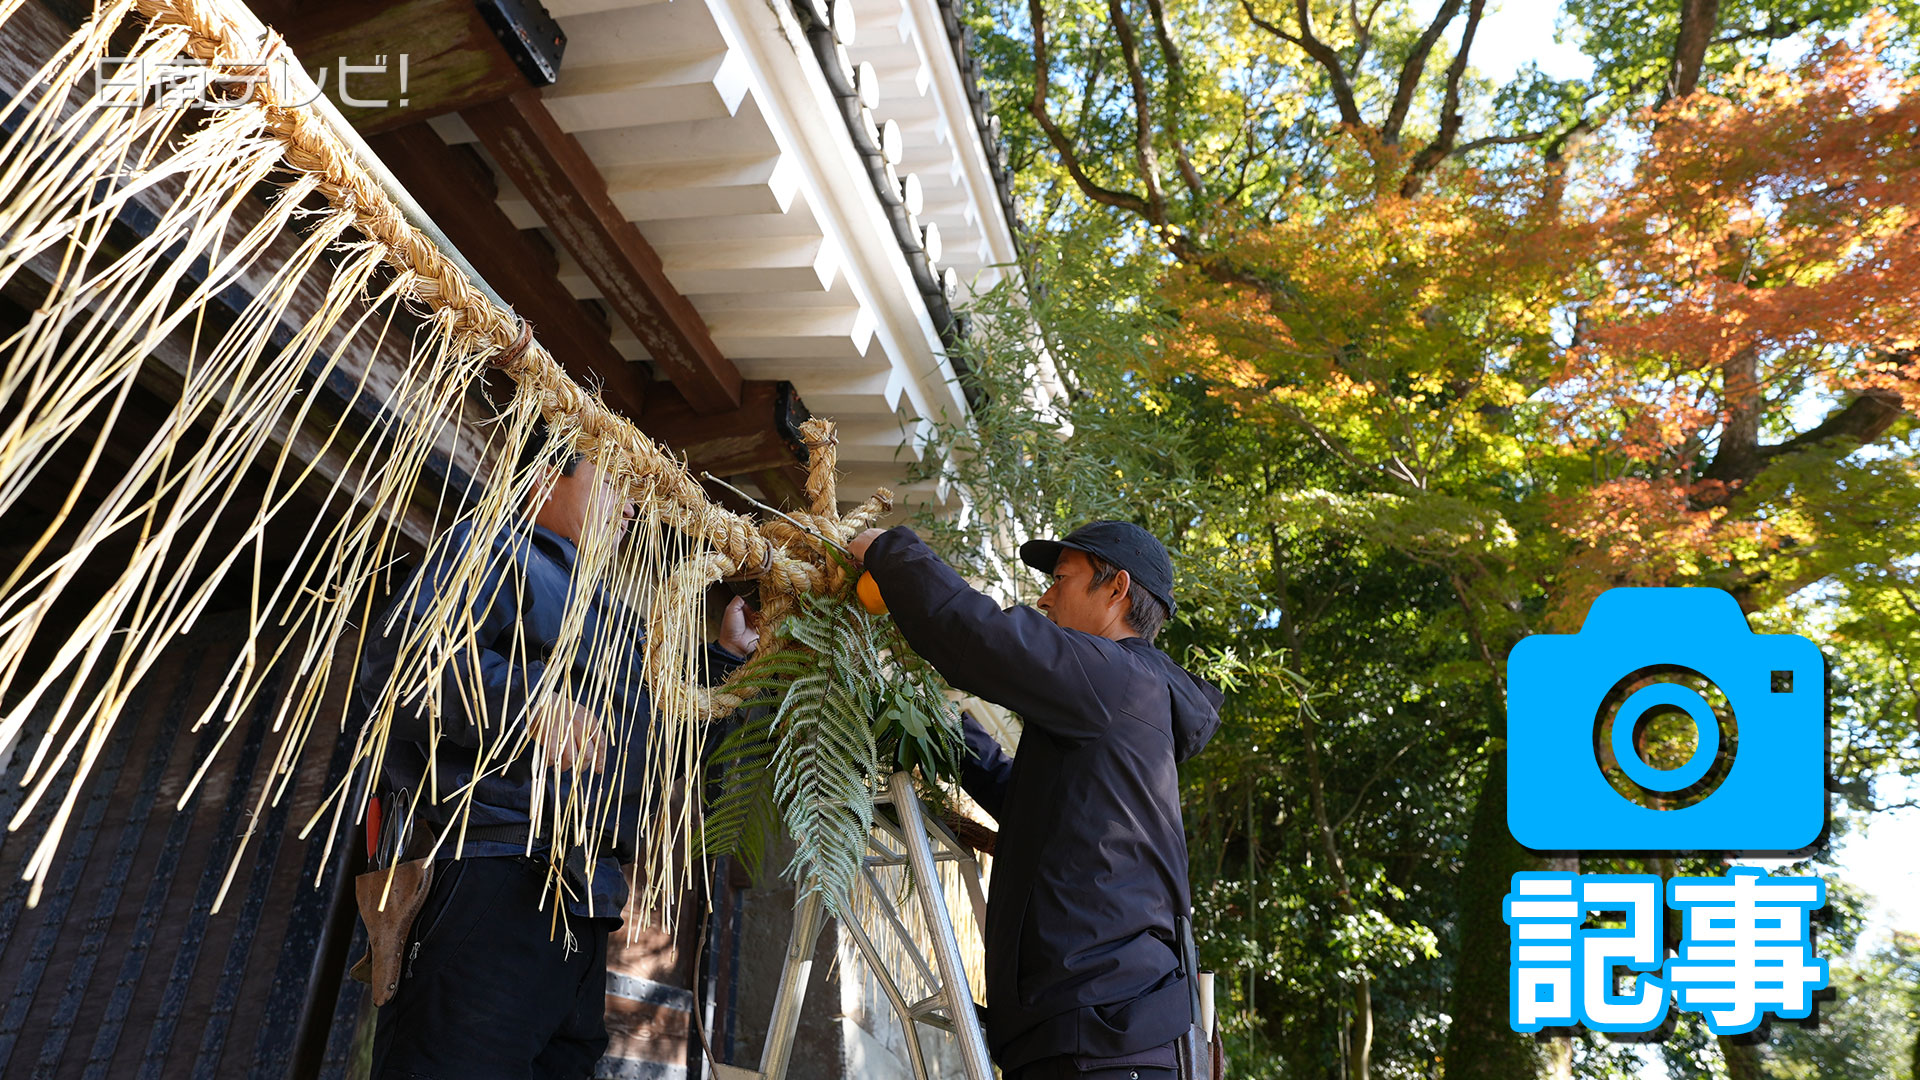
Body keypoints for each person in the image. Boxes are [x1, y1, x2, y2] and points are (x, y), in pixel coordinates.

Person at [358, 435, 759, 1080]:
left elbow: (654, 754)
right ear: (548, 476)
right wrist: (528, 702)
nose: (630, 506)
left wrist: (724, 663)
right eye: (614, 482)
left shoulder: (615, 614)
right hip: (493, 874)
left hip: (583, 905)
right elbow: (399, 668)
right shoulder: (487, 549)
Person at [849, 520, 1223, 1080]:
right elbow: (1031, 801)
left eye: (1063, 579)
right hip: (1091, 1033)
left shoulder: (1119, 679)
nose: (1045, 596)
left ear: (1116, 589)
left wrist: (888, 550)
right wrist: (939, 726)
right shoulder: (1131, 702)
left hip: (1102, 1041)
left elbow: (981, 638)